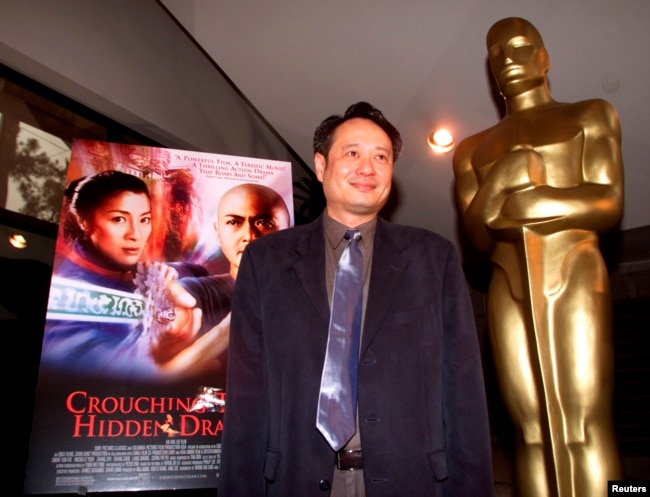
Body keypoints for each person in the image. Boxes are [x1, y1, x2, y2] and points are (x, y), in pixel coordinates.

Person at [219, 102, 495, 496]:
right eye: (352, 153)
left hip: (412, 481)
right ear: (320, 165)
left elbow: (464, 394)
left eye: (381, 156)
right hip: (293, 480)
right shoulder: (265, 262)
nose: (368, 167)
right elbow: (247, 397)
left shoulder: (435, 258)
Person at [452, 17, 624, 497]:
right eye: (496, 54)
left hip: (575, 271)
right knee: (529, 430)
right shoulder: (470, 150)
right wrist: (502, 177)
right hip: (509, 283)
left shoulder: (590, 114)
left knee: (585, 421)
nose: (508, 59)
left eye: (521, 46)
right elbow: (478, 236)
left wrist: (537, 201)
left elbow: (608, 201)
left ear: (545, 56)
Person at [154, 183, 291, 378]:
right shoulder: (195, 293)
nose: (249, 236)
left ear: (289, 233)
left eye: (264, 223)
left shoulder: (310, 297)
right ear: (218, 233)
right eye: (234, 222)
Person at [41, 170, 157, 377]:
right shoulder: (73, 296)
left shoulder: (120, 266)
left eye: (145, 219)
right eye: (119, 219)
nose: (136, 235)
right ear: (84, 222)